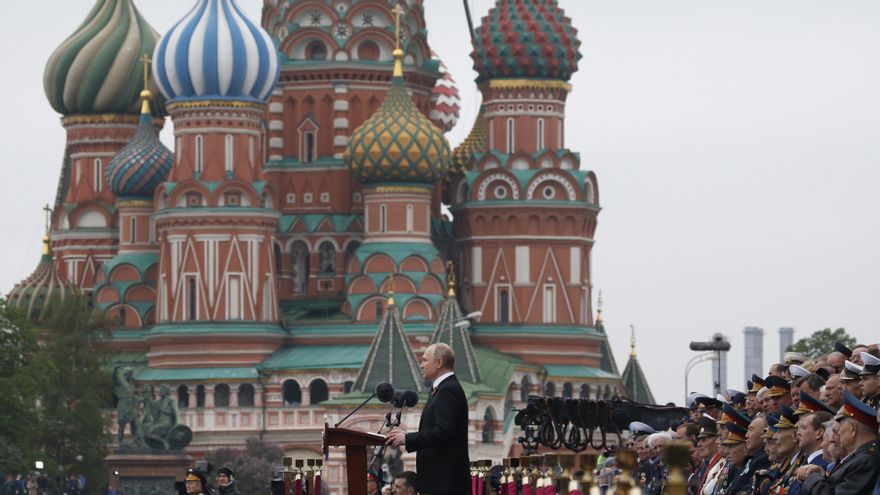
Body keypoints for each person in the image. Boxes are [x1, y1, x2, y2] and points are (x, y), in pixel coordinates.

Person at [386, 343, 469, 495]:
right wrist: (406, 437)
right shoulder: (439, 389)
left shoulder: (448, 390)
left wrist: (407, 438)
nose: (421, 365)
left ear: (439, 362)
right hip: (437, 482)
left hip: (445, 483)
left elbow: (442, 432)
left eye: (424, 360)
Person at [798, 391, 880, 494]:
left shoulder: (866, 459)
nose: (839, 433)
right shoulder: (859, 456)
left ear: (852, 429)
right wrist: (821, 475)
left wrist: (811, 478)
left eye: (840, 428)